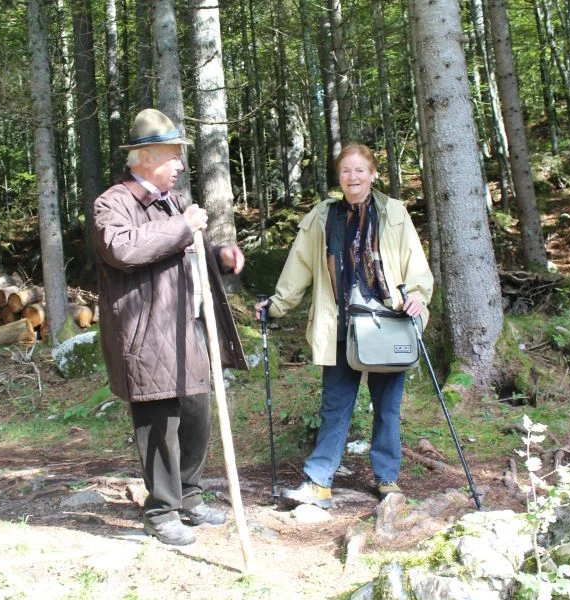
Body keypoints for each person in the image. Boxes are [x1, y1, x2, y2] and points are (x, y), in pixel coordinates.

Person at [93, 108, 248, 545]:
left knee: (196, 416)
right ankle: (161, 512)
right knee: (160, 425)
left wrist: (220, 256)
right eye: (172, 156)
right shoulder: (113, 203)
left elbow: (189, 247)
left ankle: (190, 496)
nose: (180, 164)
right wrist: (182, 226)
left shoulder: (173, 201)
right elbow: (122, 249)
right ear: (143, 159)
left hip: (188, 326)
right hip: (147, 333)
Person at [254, 144, 433, 509]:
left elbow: (414, 262)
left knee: (388, 406)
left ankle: (387, 478)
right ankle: (319, 481)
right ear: (339, 177)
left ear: (373, 174)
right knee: (335, 405)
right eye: (346, 171)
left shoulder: (395, 213)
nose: (353, 177)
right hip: (340, 324)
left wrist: (417, 297)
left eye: (360, 170)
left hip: (389, 324)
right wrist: (276, 306)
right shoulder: (323, 216)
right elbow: (299, 265)